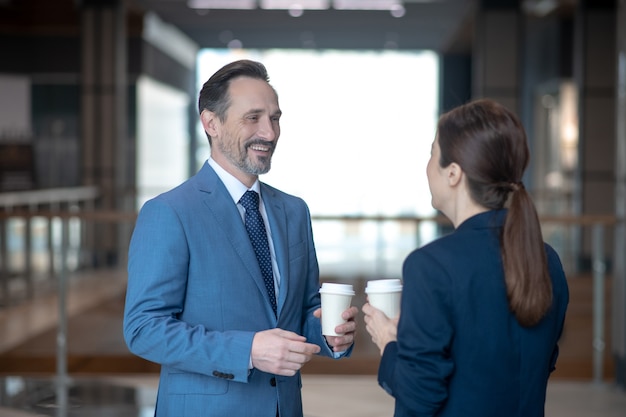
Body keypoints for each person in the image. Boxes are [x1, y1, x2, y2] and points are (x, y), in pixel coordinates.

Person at [123, 59, 358, 417]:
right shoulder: (170, 212)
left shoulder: (294, 211)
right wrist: (248, 350)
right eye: (253, 118)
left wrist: (328, 333)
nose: (270, 132)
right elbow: (144, 329)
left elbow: (301, 310)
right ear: (210, 123)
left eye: (275, 118)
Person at [362, 98, 569, 417]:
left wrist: (390, 343)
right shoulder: (548, 260)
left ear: (454, 173)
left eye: (432, 154)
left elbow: (420, 397)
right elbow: (535, 363)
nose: (427, 166)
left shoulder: (431, 266)